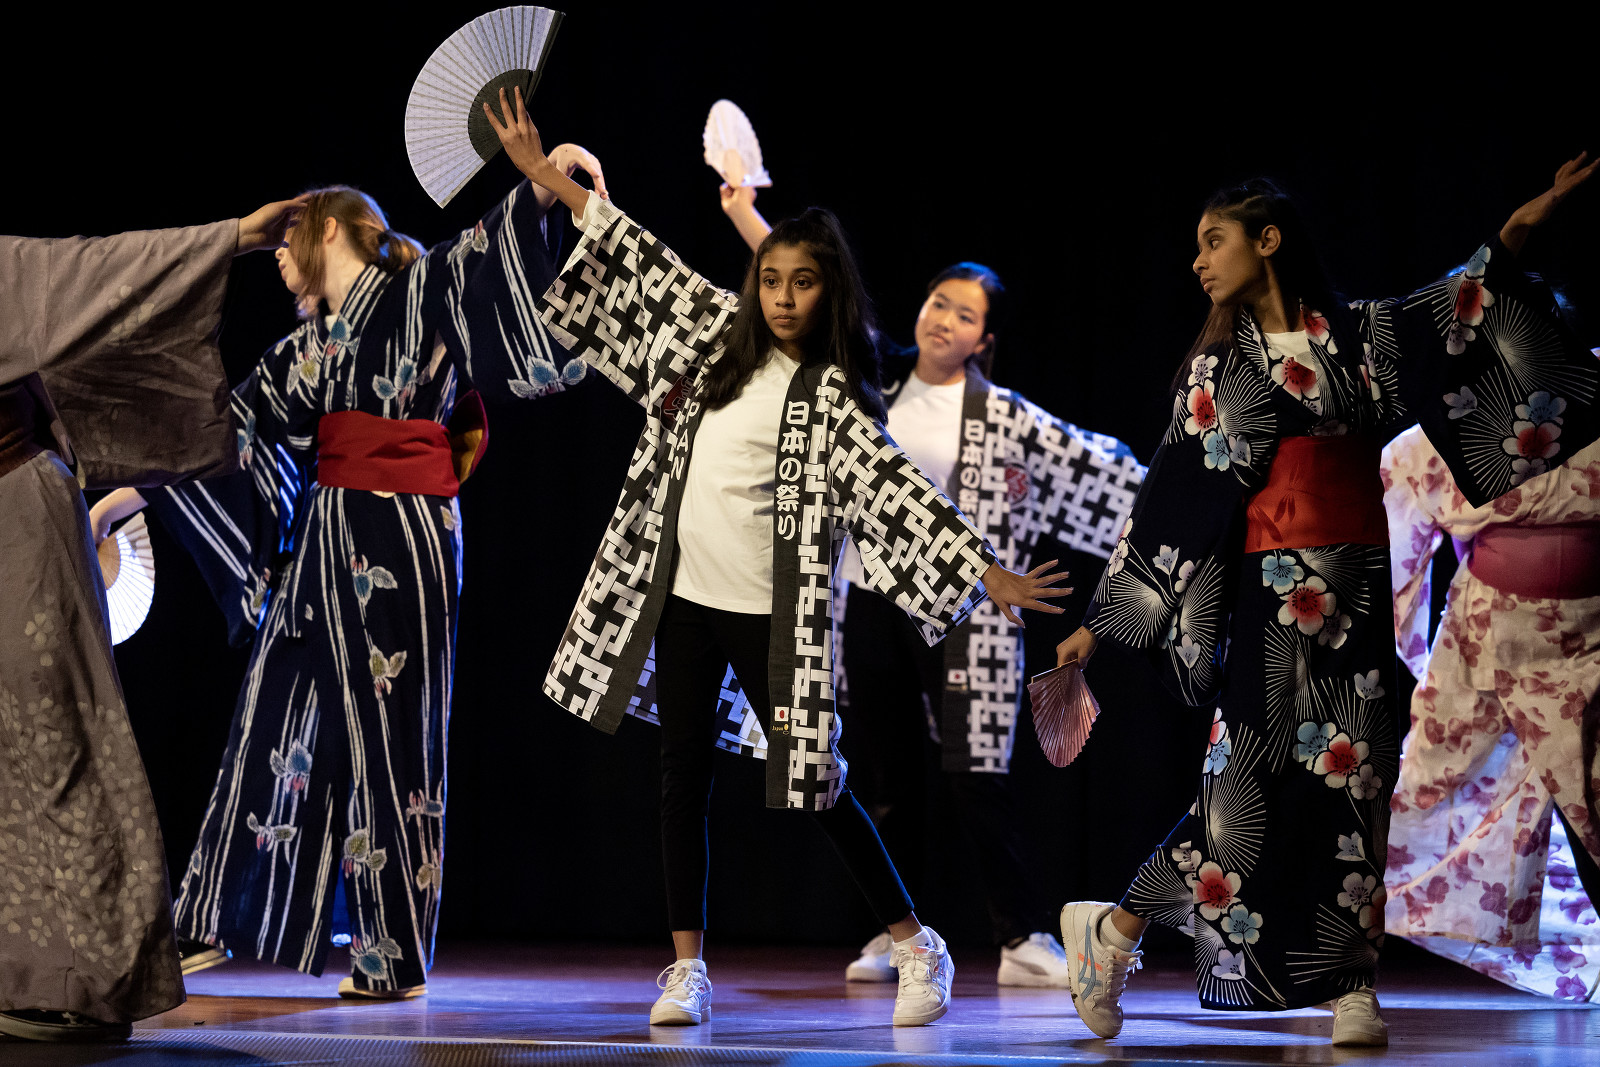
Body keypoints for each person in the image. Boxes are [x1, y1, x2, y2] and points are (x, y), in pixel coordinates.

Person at [492, 88, 1068, 1027]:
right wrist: (542, 176)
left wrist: (985, 572)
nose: (784, 297)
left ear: (827, 291)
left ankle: (916, 941)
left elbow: (892, 488)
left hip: (771, 615)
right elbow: (637, 253)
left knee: (817, 781)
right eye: (771, 280)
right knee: (680, 779)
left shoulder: (832, 391)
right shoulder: (711, 337)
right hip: (684, 596)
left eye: (802, 282)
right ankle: (687, 967)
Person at [1053, 154, 1600, 1047]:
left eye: (1214, 241)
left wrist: (1520, 226)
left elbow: (1457, 305)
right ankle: (1115, 932)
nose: (1199, 261)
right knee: (1244, 790)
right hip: (1272, 607)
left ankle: (1352, 984)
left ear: (1267, 241)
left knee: (1358, 782)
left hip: (1356, 590)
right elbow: (1171, 501)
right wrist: (1096, 625)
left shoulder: (1361, 336)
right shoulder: (1218, 371)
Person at [88, 124, 606, 999]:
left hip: (403, 533)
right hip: (325, 541)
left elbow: (487, 248)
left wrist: (540, 183)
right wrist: (117, 499)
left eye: (288, 239)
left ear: (329, 227)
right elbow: (220, 434)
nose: (277, 258)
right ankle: (212, 914)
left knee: (393, 734)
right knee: (272, 712)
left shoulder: (419, 289)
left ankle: (390, 951)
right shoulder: (307, 351)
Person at [720, 185, 1146, 987]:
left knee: (977, 774)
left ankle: (1020, 935)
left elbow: (1105, 469)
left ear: (985, 339)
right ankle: (896, 932)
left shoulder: (1007, 417)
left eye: (964, 314)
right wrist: (745, 210)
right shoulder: (871, 378)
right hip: (868, 601)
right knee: (882, 777)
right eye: (938, 303)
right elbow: (809, 283)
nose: (944, 320)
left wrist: (1185, 506)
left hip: (961, 611)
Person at [0, 198, 302, 1042]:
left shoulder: (5, 276)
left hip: (17, 524)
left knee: (56, 743)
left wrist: (237, 236)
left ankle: (83, 978)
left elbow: (101, 273)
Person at [1382, 421, 1600, 1000]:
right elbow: (1404, 485)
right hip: (1487, 634)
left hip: (1592, 637)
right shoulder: (1459, 419)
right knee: (1427, 792)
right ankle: (1334, 950)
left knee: (1592, 805)